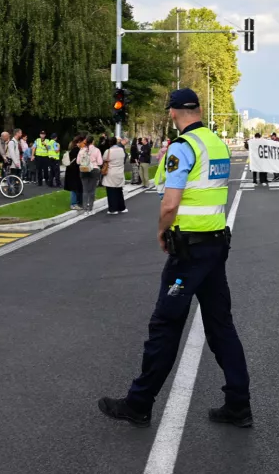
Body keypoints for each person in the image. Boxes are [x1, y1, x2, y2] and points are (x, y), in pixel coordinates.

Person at [99, 88, 251, 428]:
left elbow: (170, 203)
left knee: (165, 325)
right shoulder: (216, 142)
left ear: (172, 113)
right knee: (221, 326)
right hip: (215, 244)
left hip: (188, 251)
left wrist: (161, 232)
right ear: (197, 109)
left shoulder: (182, 148)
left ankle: (138, 403)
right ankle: (238, 404)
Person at [78, 135, 104, 212]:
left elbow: (78, 162)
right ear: (93, 141)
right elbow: (100, 162)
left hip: (84, 170)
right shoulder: (96, 150)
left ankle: (85, 207)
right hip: (94, 170)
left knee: (85, 190)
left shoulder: (82, 150)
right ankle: (90, 207)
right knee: (92, 190)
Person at [103, 136, 128, 214]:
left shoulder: (108, 151)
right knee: (119, 191)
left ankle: (113, 209)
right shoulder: (121, 150)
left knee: (111, 191)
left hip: (111, 172)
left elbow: (104, 159)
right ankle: (122, 207)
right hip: (120, 172)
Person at [64, 134, 84, 210]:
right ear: (79, 142)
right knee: (74, 188)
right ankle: (73, 203)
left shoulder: (73, 149)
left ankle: (76, 202)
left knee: (75, 188)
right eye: (83, 142)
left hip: (71, 171)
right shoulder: (77, 150)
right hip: (74, 171)